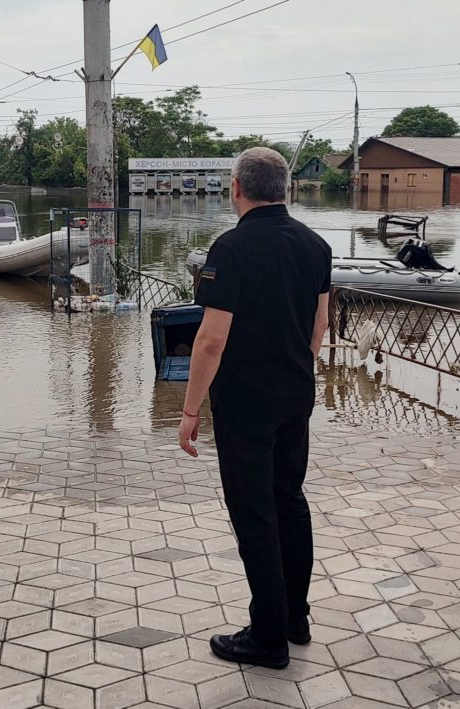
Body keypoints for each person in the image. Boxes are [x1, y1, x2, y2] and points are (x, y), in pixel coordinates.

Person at [178, 147, 331, 669]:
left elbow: (211, 340)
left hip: (246, 401)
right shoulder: (316, 245)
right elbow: (318, 326)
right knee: (290, 500)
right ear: (284, 188)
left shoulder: (232, 247)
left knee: (255, 513)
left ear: (236, 187)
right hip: (295, 394)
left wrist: (191, 409)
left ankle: (267, 636)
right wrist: (295, 372)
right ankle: (295, 618)